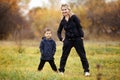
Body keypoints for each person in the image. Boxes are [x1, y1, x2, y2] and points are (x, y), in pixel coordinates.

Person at [57, 4, 90, 76]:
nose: (64, 11)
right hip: (68, 41)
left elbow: (79, 27)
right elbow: (58, 32)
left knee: (82, 55)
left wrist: (81, 36)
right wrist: (61, 39)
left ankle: (86, 71)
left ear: (69, 10)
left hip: (77, 39)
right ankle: (61, 71)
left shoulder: (74, 17)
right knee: (64, 56)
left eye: (65, 9)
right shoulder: (62, 21)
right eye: (62, 10)